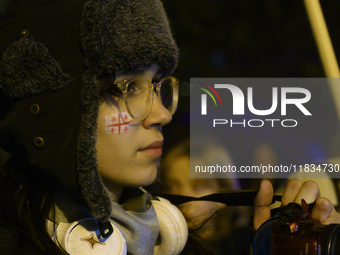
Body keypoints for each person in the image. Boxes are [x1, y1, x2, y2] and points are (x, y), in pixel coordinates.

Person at [0, 1, 339, 255]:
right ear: (59, 107)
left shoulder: (179, 243)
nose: (162, 114)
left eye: (158, 84)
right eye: (130, 87)